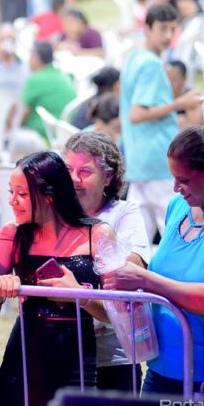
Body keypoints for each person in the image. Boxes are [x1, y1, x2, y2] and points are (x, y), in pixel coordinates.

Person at [103, 127, 204, 401]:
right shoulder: (178, 207)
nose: (174, 187)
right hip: (165, 371)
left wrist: (144, 279)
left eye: (183, 179)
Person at [0, 151, 115, 406]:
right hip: (23, 362)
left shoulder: (98, 234)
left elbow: (114, 312)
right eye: (11, 192)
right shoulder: (11, 235)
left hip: (75, 365)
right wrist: (1, 289)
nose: (12, 201)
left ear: (49, 195)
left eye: (22, 194)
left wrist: (79, 296)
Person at [63, 131, 151, 392]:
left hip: (112, 355)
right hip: (62, 350)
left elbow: (131, 268)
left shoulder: (123, 212)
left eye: (85, 171)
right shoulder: (54, 212)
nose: (74, 179)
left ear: (108, 177)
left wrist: (77, 285)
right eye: (68, 170)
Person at [119, 4, 201, 243]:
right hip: (157, 158)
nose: (168, 35)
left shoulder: (134, 57)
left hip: (139, 158)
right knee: (176, 235)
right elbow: (137, 113)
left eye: (172, 29)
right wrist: (179, 103)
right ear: (147, 28)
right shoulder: (151, 64)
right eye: (162, 28)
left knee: (136, 241)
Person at [19, 40, 76, 143]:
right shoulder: (63, 75)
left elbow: (21, 113)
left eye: (30, 55)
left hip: (45, 136)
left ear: (36, 58)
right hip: (66, 133)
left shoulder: (36, 79)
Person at [166, 60, 204, 129]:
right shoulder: (161, 96)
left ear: (184, 79)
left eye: (174, 80)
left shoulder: (192, 97)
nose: (169, 84)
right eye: (166, 80)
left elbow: (195, 126)